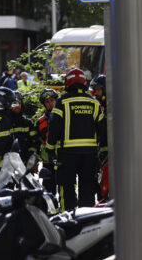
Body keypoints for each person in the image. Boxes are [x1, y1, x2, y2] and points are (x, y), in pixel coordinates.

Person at [47, 69, 107, 212]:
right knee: (87, 189)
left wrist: (49, 149)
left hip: (67, 154)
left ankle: (66, 220)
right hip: (89, 155)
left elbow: (54, 126)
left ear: (68, 83)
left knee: (66, 187)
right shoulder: (94, 103)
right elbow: (103, 129)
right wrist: (103, 150)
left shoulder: (62, 102)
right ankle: (87, 223)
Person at [36, 88, 59, 195]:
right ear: (44, 104)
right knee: (48, 191)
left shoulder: (63, 118)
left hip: (62, 159)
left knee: (66, 188)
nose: (51, 104)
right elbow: (37, 140)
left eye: (52, 100)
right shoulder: (40, 122)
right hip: (47, 163)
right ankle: (51, 211)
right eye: (47, 102)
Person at [10, 91, 37, 162]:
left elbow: (34, 142)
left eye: (19, 103)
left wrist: (31, 158)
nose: (18, 106)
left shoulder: (27, 123)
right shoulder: (5, 122)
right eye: (14, 103)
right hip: (9, 161)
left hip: (25, 161)